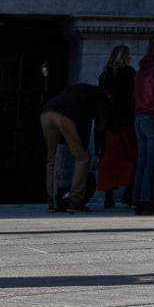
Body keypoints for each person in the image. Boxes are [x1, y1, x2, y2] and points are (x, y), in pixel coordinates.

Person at [39, 80, 104, 210]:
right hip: (66, 116)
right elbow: (100, 126)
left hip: (47, 112)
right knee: (82, 157)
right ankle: (75, 200)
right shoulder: (101, 97)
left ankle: (52, 200)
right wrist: (98, 151)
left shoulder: (81, 89)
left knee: (51, 159)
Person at [94, 46, 137, 208]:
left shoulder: (104, 75)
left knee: (110, 159)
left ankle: (109, 195)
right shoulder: (129, 73)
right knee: (130, 157)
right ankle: (128, 193)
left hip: (109, 123)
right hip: (126, 122)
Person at [131, 37, 154, 214]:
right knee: (152, 161)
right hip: (151, 116)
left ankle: (136, 197)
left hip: (139, 116)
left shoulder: (141, 70)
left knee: (142, 160)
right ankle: (147, 198)